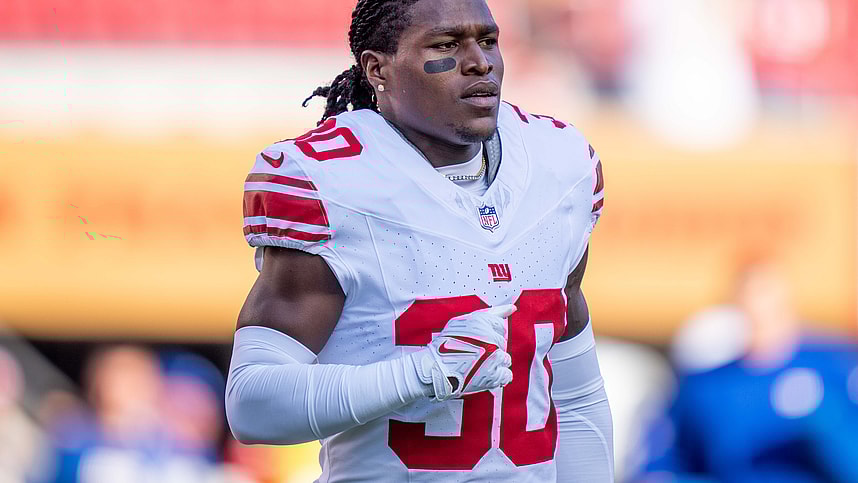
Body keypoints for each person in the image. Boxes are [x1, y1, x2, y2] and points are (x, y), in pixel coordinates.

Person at [225, 0, 613, 481]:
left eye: (488, 40)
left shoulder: (560, 165)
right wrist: (422, 374)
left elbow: (575, 395)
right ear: (377, 68)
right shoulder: (331, 182)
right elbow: (253, 405)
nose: (480, 62)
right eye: (446, 45)